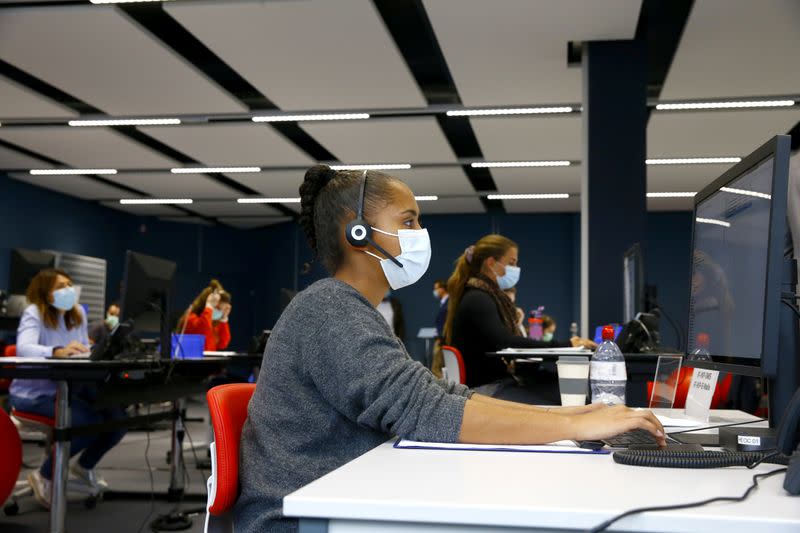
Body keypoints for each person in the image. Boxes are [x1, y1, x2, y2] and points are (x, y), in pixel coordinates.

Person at [234, 165, 665, 532]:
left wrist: (572, 414)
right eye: (408, 221)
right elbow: (426, 410)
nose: (421, 233)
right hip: (298, 517)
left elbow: (441, 395)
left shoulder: (352, 310)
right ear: (358, 231)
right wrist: (575, 429)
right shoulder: (329, 309)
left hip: (337, 496)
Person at [9, 269, 127, 508]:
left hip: (68, 389)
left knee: (117, 417)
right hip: (33, 394)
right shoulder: (34, 313)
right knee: (85, 422)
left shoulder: (77, 315)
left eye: (69, 284)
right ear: (46, 293)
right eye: (60, 286)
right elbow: (24, 348)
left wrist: (88, 351)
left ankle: (84, 466)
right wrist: (56, 351)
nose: (68, 289)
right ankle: (44, 474)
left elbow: (82, 347)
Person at [445, 235, 596, 389]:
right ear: (491, 263)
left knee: (558, 383)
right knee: (565, 388)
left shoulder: (484, 295)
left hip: (494, 381)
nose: (516, 268)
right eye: (512, 263)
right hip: (487, 387)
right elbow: (507, 342)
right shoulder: (478, 299)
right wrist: (567, 345)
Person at [177, 280, 232, 351]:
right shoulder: (191, 319)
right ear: (206, 304)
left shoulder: (212, 323)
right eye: (218, 308)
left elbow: (223, 344)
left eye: (221, 310)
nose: (220, 312)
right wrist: (209, 307)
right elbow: (203, 332)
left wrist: (224, 319)